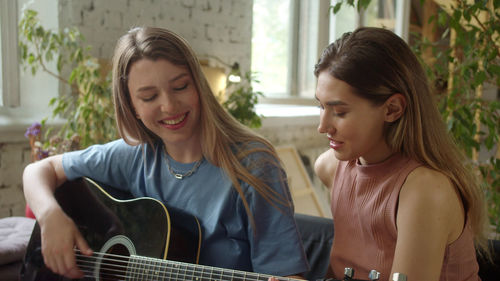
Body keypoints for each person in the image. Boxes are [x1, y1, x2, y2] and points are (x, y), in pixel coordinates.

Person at [23, 26, 308, 279]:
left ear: (199, 85)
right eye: (149, 97)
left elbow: (287, 275)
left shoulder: (254, 164)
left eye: (181, 86)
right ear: (131, 106)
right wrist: (50, 216)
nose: (169, 106)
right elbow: (38, 170)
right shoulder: (136, 156)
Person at [312, 27, 490, 281]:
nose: (322, 127)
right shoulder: (330, 168)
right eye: (320, 106)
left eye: (339, 112)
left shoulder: (425, 191)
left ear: (393, 109)